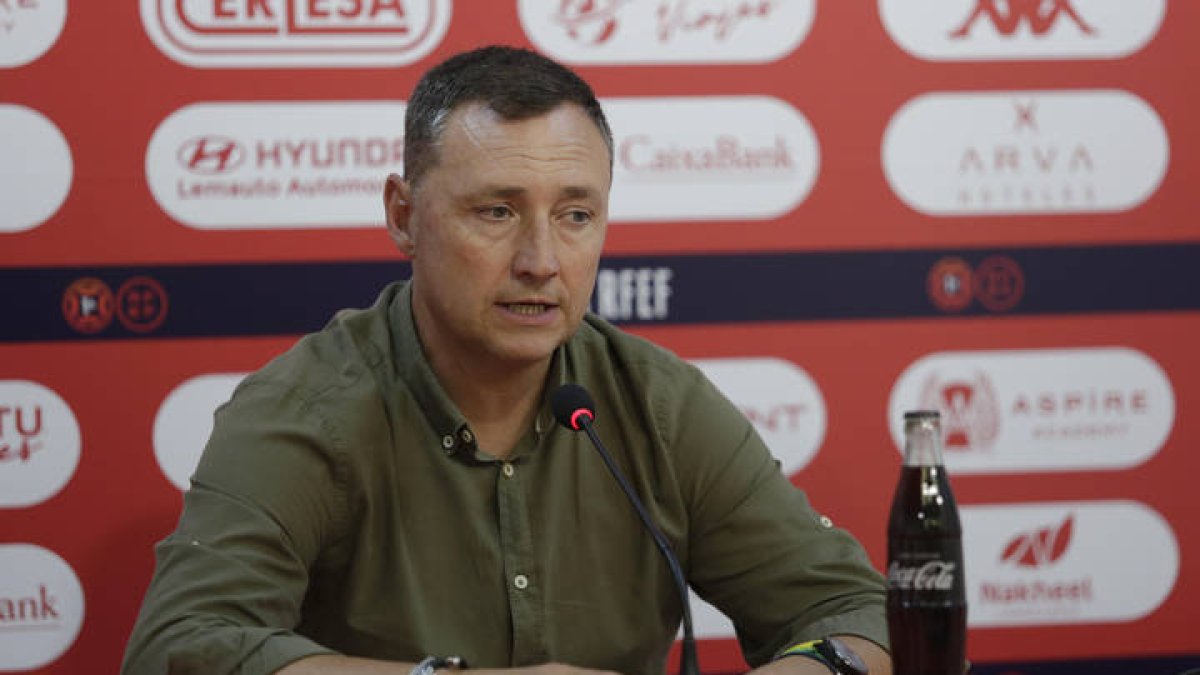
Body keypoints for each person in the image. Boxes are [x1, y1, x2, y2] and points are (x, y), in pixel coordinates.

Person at [122, 46, 892, 675]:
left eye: (576, 215)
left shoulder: (656, 403)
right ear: (402, 214)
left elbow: (860, 615)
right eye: (496, 211)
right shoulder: (306, 407)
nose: (541, 260)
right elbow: (179, 646)